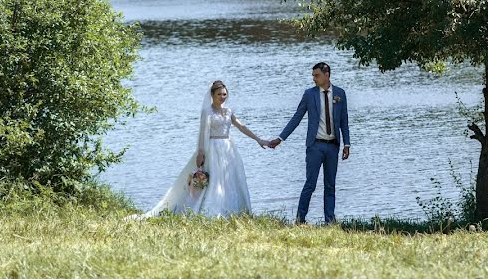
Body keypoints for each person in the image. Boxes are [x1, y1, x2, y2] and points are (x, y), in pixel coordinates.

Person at [128, 80, 268, 219]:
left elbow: (241, 126)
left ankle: (233, 210)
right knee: (213, 180)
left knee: (230, 180)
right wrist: (201, 152)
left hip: (228, 149)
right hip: (212, 149)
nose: (222, 97)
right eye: (219, 94)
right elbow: (202, 132)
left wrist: (258, 139)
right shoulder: (207, 111)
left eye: (225, 94)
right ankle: (210, 211)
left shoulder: (228, 111)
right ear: (212, 95)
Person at [269, 62, 351, 224]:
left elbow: (344, 121)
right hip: (315, 146)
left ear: (326, 75)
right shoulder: (309, 94)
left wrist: (347, 144)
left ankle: (330, 220)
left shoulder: (340, 93)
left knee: (330, 185)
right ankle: (300, 220)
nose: (314, 78)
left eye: (317, 75)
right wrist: (280, 138)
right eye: (313, 75)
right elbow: (297, 118)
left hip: (333, 146)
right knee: (310, 183)